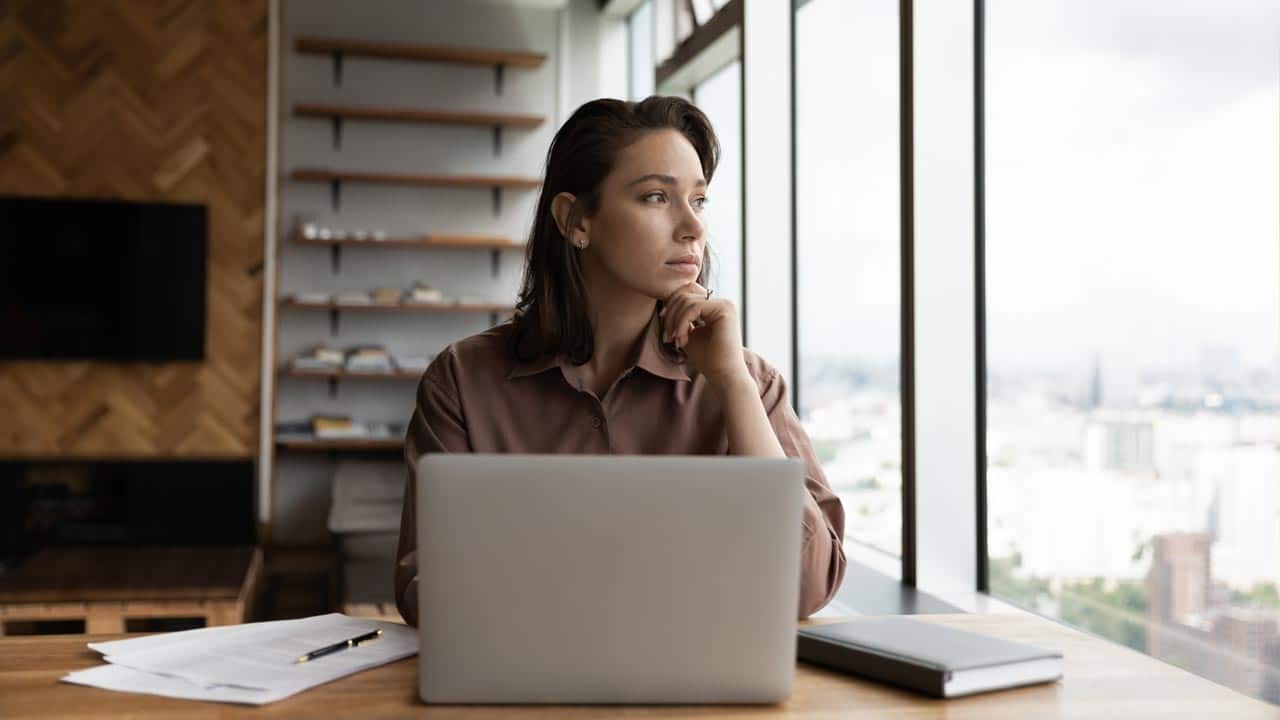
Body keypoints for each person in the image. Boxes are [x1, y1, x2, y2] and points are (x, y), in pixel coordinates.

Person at [394, 96, 846, 625]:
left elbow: (808, 586)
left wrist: (731, 383)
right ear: (576, 220)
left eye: (698, 201)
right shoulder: (463, 381)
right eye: (657, 197)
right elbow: (424, 586)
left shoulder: (750, 381)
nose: (693, 228)